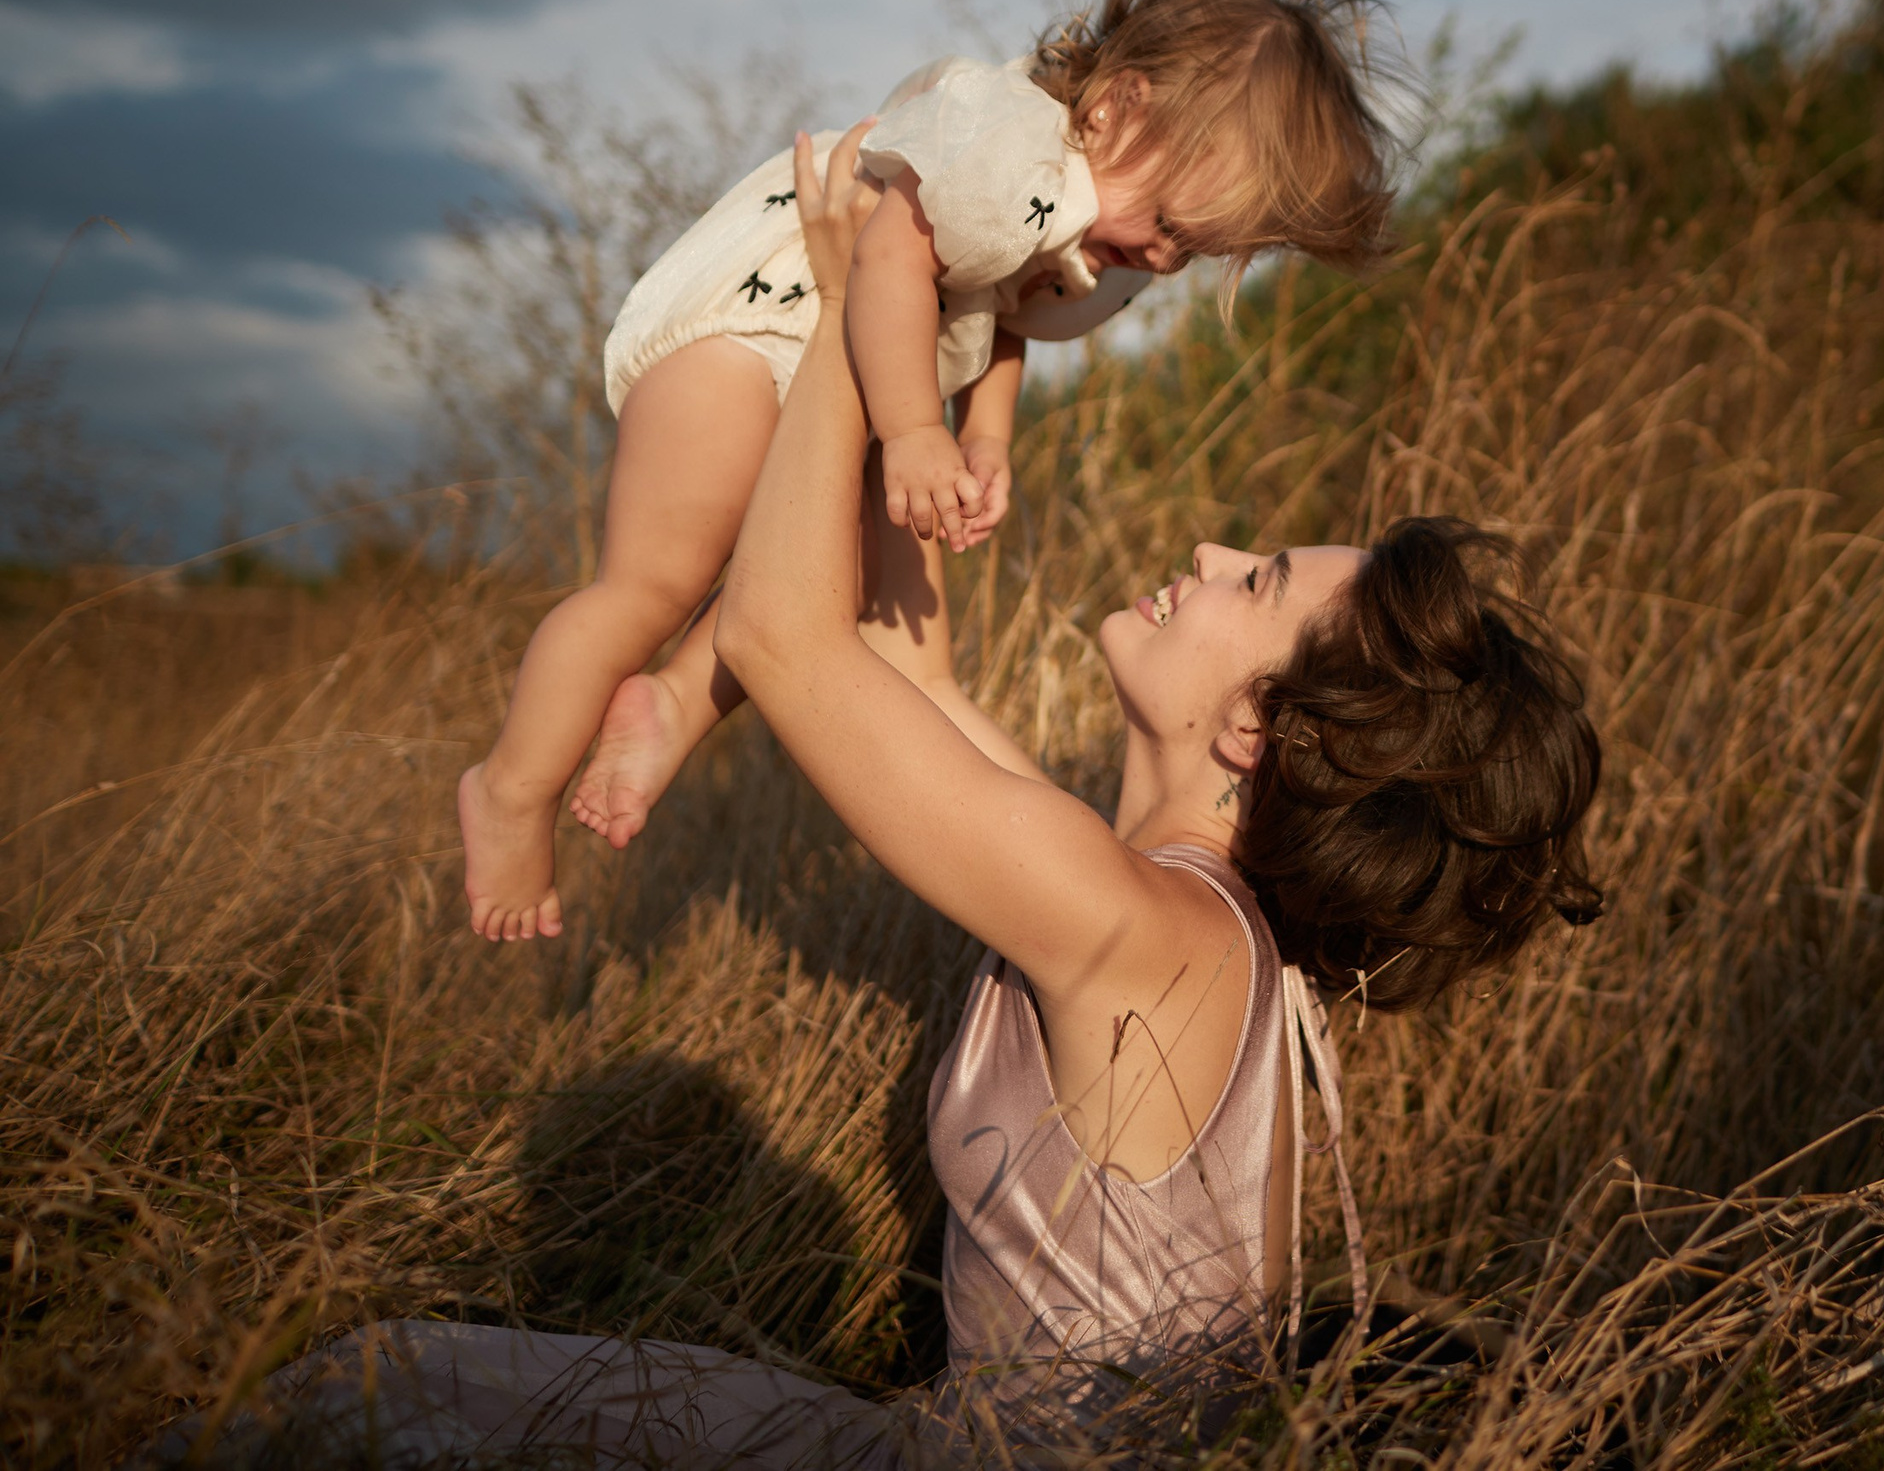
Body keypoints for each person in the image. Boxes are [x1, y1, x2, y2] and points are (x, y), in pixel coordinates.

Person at [172, 130, 1602, 1469]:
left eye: (1260, 582)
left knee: (367, 1383)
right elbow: (889, 655)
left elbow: (785, 639)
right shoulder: (1178, 920)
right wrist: (959, 358)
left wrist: (872, 300)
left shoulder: (1144, 928)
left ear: (1256, 726)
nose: (1218, 547)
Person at [460, 0, 1402, 944]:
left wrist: (984, 437)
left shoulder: (1082, 217)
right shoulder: (1004, 146)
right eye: (1170, 225)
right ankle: (511, 788)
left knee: (823, 569)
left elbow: (1002, 314)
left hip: (854, 375)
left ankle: (668, 706)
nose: (1165, 259)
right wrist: (915, 434)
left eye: (1196, 251)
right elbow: (892, 252)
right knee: (654, 584)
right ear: (1120, 107)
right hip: (755, 325)